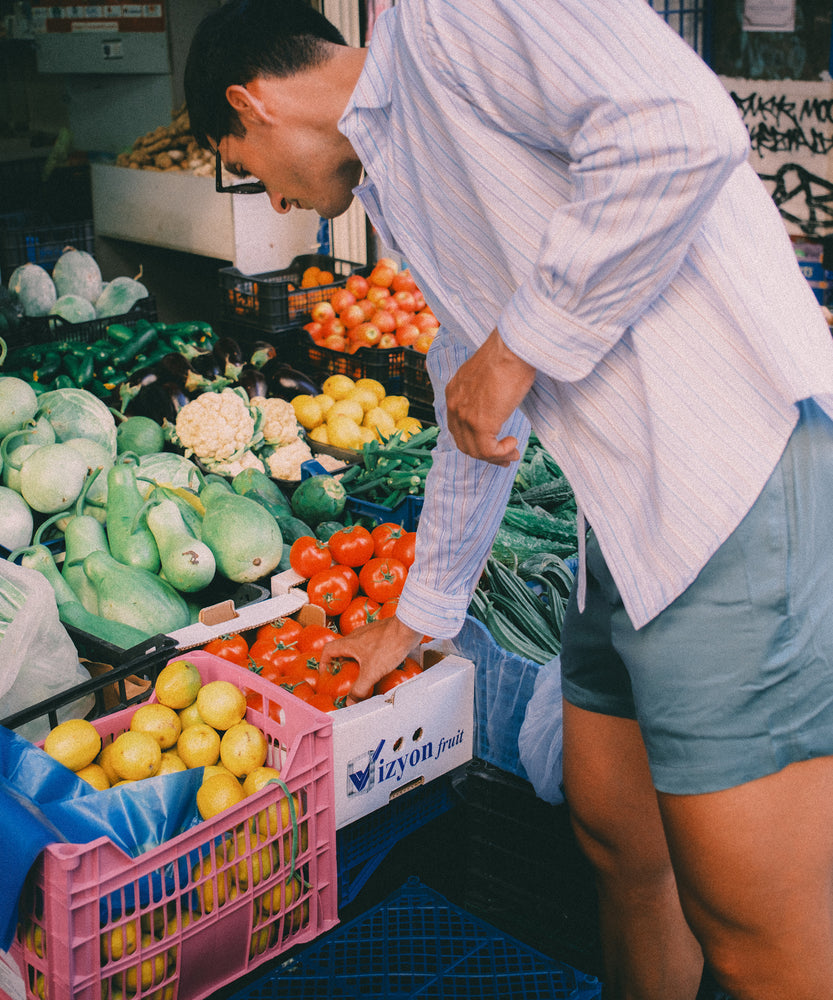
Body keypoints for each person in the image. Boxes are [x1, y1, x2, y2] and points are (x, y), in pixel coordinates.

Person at [185, 2, 833, 997]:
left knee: (753, 930)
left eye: (242, 165)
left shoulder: (446, 21)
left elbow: (678, 129)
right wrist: (416, 617)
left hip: (727, 484)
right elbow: (470, 405)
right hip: (618, 522)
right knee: (619, 843)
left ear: (253, 103)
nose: (270, 203)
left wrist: (517, 347)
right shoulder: (399, 173)